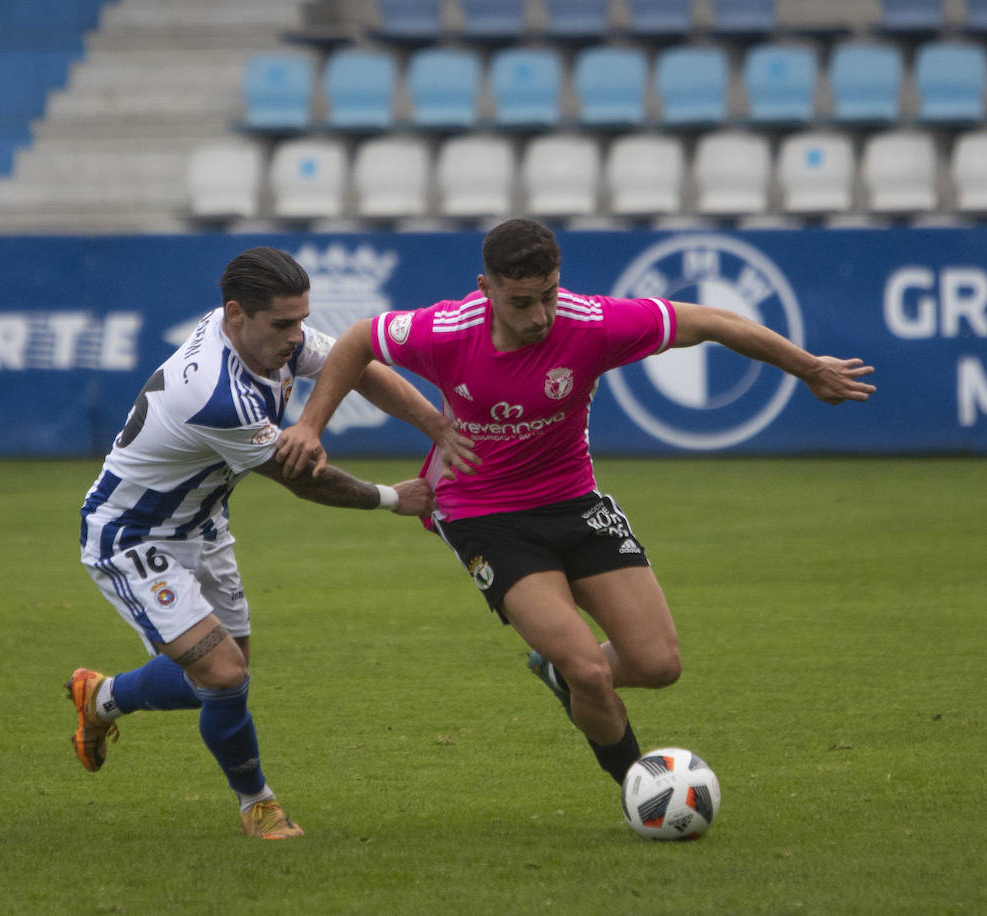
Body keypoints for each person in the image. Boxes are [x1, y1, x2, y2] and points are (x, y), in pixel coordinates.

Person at [275, 218, 876, 796]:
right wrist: (313, 426)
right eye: (521, 302)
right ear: (486, 290)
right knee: (590, 669)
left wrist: (809, 369)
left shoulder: (592, 323)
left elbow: (712, 321)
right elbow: (356, 340)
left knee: (659, 663)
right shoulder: (447, 331)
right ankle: (641, 788)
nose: (539, 316)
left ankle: (559, 672)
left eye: (549, 295)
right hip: (483, 513)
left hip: (573, 502)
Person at [69, 246, 470, 839]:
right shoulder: (215, 394)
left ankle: (103, 698)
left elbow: (357, 366)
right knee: (225, 676)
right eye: (284, 324)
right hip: (133, 535)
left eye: (302, 320)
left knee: (226, 676)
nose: (297, 336)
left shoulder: (264, 336)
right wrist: (393, 497)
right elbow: (304, 481)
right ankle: (258, 805)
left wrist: (437, 425)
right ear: (236, 314)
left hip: (202, 525)